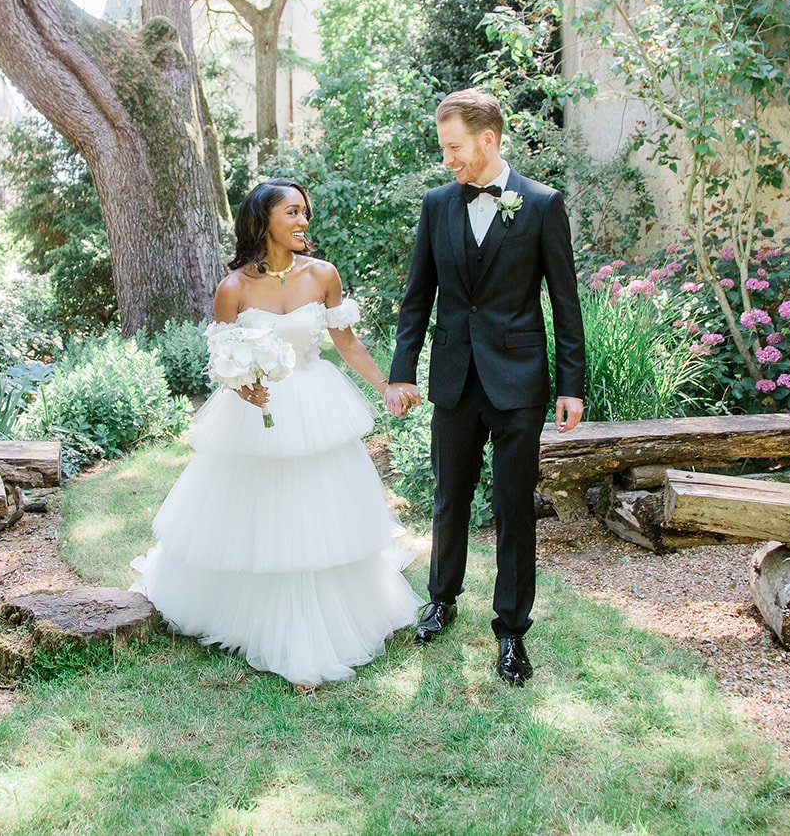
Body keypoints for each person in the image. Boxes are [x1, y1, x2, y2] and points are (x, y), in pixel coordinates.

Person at [130, 179, 421, 689]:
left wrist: (386, 388)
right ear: (263, 219)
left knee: (318, 512)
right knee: (260, 515)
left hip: (315, 403)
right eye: (293, 212)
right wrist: (245, 390)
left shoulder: (323, 275)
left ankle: (325, 619)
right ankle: (256, 617)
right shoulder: (233, 288)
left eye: (305, 212)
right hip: (258, 415)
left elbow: (347, 343)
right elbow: (223, 361)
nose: (304, 221)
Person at [384, 88, 586, 685]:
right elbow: (418, 296)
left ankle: (511, 632)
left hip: (518, 380)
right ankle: (441, 600)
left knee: (513, 508)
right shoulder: (436, 205)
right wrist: (402, 371)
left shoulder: (542, 205)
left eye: (454, 148)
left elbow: (565, 303)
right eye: (444, 149)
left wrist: (570, 386)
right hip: (453, 378)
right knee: (448, 498)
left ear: (488, 141)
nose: (448, 159)